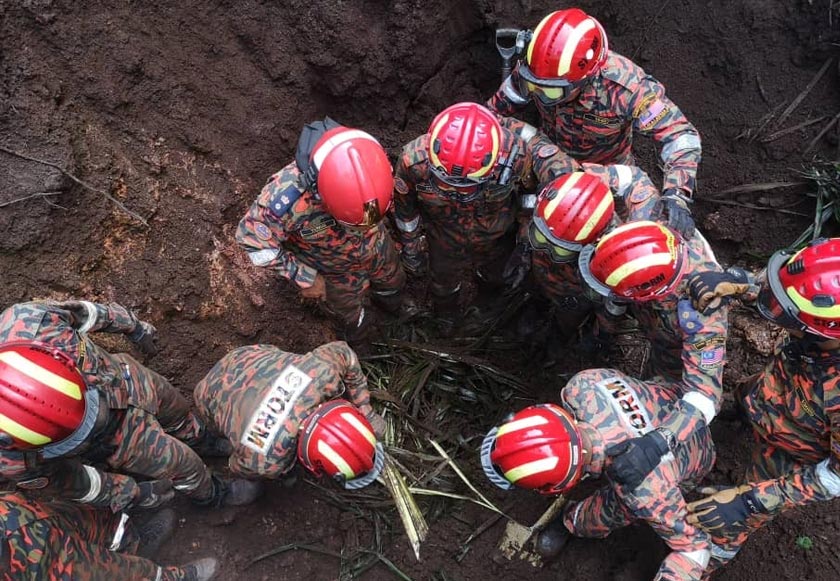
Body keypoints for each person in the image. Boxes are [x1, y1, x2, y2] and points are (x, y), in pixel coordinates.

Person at [0, 300, 249, 512]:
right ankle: (213, 495)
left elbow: (88, 313)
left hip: (129, 380)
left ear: (58, 358)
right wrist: (133, 493)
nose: (96, 417)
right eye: (77, 434)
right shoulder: (14, 459)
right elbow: (80, 484)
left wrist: (133, 327)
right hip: (117, 441)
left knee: (177, 411)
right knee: (183, 465)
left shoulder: (31, 322)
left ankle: (202, 439)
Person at [683, 238, 840, 573]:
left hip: (791, 450)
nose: (779, 317)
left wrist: (749, 501)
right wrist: (740, 283)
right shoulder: (822, 306)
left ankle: (711, 557)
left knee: (729, 521)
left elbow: (835, 476)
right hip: (769, 389)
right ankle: (739, 414)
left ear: (823, 331)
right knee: (744, 398)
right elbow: (790, 296)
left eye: (791, 319)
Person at [486, 8, 700, 237]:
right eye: (533, 86)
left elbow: (679, 135)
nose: (538, 92)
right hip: (547, 165)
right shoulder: (537, 72)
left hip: (609, 179)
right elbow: (495, 112)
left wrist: (677, 192)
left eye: (551, 92)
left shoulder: (626, 88)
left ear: (584, 79)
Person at [482, 396, 716, 580]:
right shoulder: (581, 387)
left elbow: (696, 548)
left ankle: (573, 521)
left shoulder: (644, 493)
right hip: (682, 402)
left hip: (697, 457)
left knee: (619, 506)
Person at [393, 101, 579, 329]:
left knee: (495, 276)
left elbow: (529, 192)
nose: (458, 192)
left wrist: (524, 234)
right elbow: (405, 209)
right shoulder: (413, 162)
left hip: (497, 237)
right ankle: (446, 316)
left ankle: (485, 307)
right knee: (443, 282)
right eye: (447, 184)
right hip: (444, 238)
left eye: (467, 186)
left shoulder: (515, 157)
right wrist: (412, 248)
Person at [574, 221, 728, 491]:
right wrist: (603, 333)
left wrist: (659, 441)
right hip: (654, 322)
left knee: (671, 381)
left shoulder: (704, 313)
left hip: (676, 352)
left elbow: (705, 396)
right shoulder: (643, 241)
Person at [236, 120, 405, 346]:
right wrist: (304, 277)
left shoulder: (367, 160)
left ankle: (394, 310)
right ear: (322, 199)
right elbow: (251, 240)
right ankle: (363, 342)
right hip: (334, 272)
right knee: (352, 319)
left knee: (393, 282)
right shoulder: (286, 202)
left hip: (378, 247)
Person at [193, 341, 384, 488]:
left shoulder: (323, 372)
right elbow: (237, 466)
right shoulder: (266, 463)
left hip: (242, 356)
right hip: (208, 395)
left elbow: (344, 352)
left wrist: (365, 408)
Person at [526, 164, 664, 334]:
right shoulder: (563, 190)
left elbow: (613, 301)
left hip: (575, 291)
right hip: (544, 277)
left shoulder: (615, 256)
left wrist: (603, 333)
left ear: (593, 241)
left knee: (568, 319)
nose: (548, 250)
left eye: (561, 250)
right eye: (541, 237)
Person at [0, 492, 217, 580]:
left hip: (16, 514)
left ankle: (133, 547)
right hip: (24, 565)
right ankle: (174, 577)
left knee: (87, 521)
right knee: (116, 574)